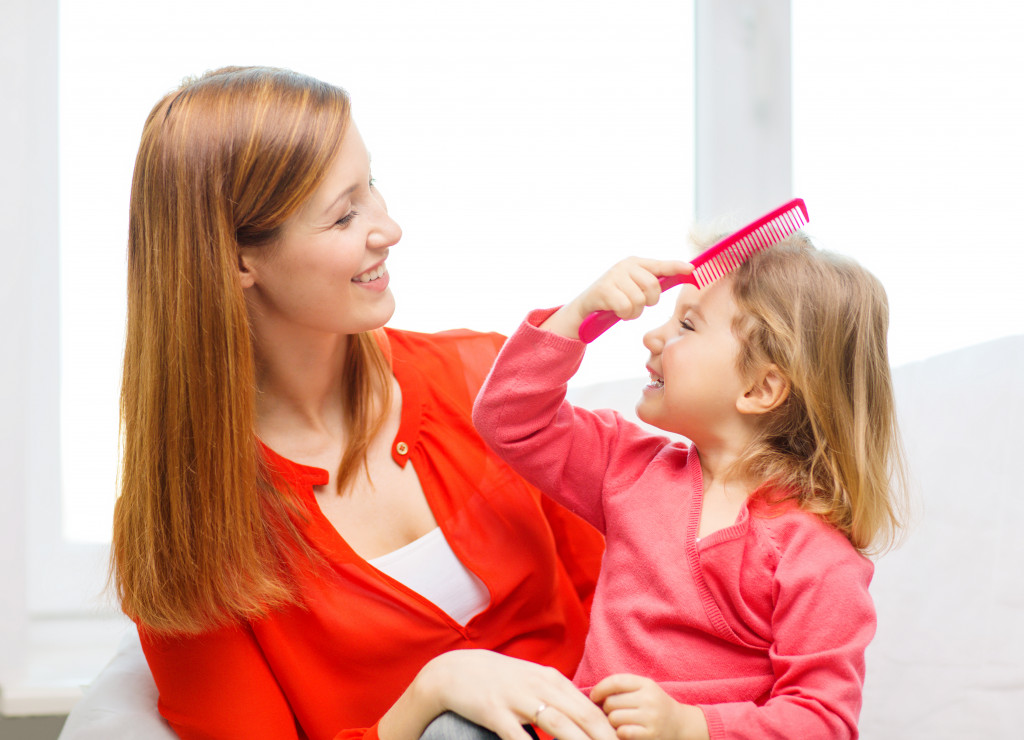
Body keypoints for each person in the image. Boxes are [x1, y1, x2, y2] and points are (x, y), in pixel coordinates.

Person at [111, 65, 616, 740]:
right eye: (344, 214)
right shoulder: (190, 522)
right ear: (237, 261)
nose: (390, 229)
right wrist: (430, 693)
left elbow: (625, 603)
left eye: (372, 186)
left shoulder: (489, 386)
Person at [473, 236, 909, 739]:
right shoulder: (627, 469)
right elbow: (508, 417)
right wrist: (581, 313)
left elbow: (822, 721)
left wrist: (691, 726)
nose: (652, 337)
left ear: (760, 388)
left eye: (686, 324)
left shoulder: (814, 556)